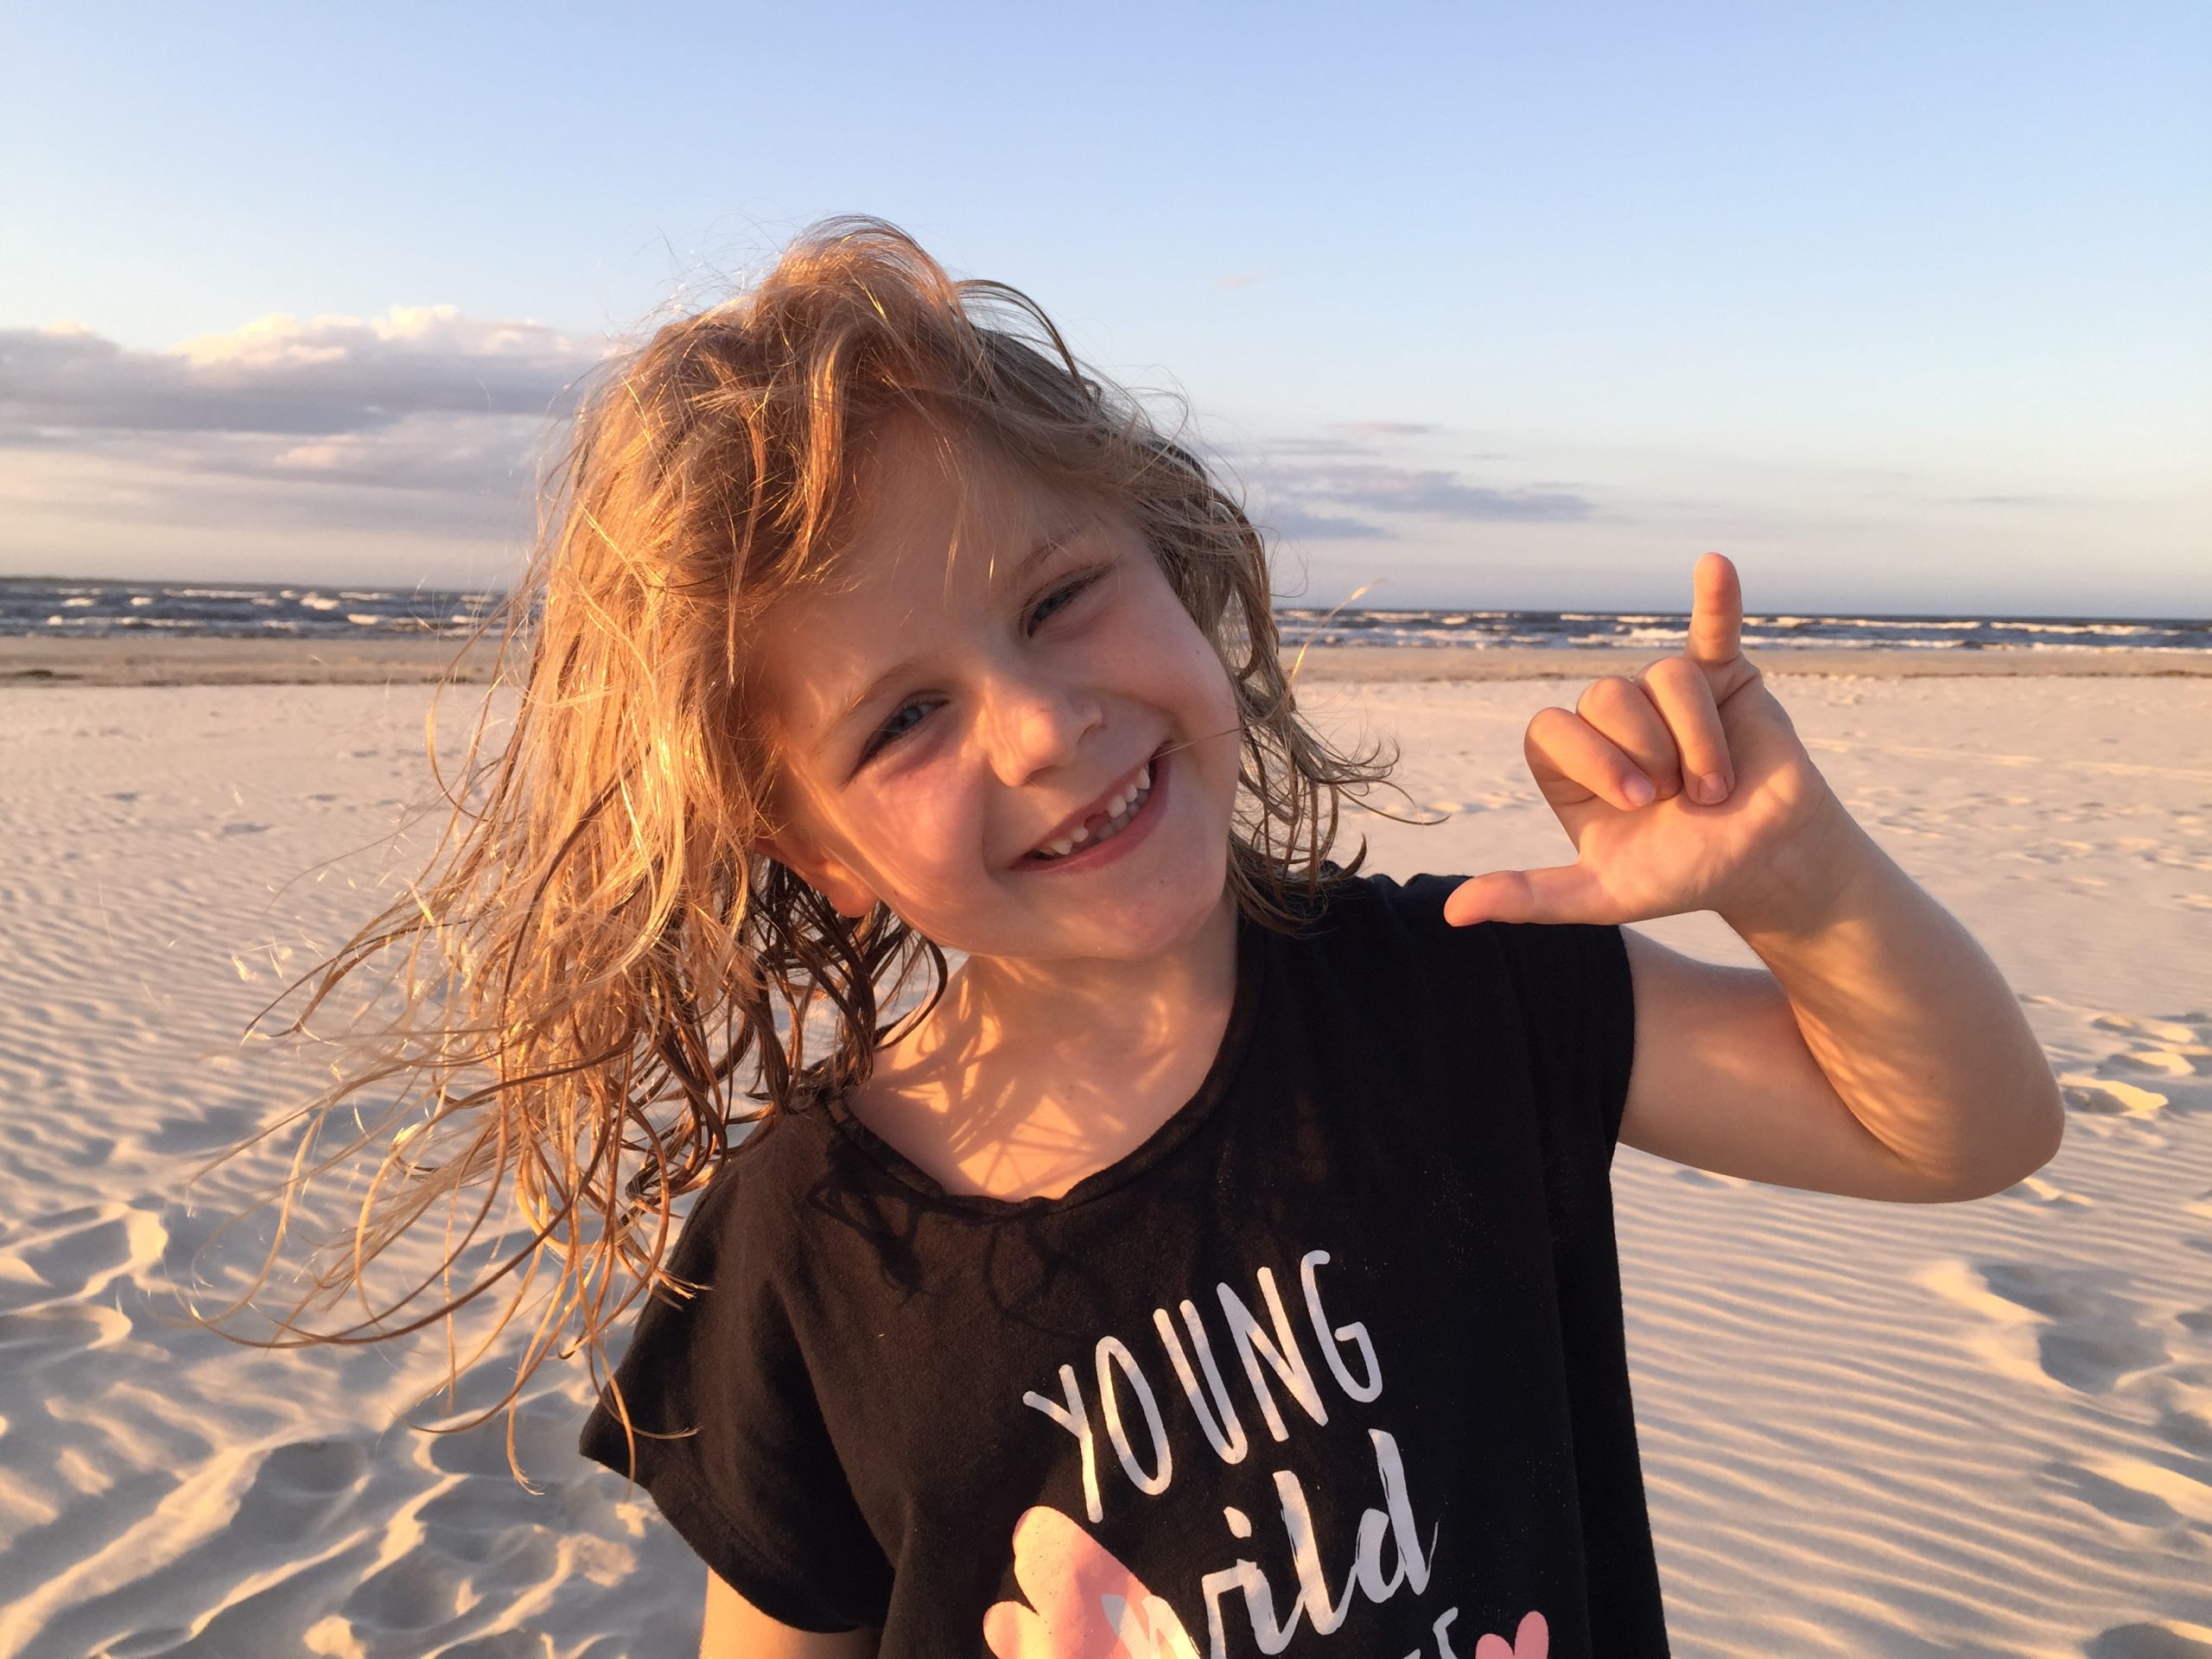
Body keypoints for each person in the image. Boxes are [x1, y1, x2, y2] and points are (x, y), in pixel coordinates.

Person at [243, 217, 2063, 1657]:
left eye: (1059, 598)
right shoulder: (811, 1247)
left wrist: (1804, 886)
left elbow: (1959, 1131)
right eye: (905, 719)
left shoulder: (1466, 989)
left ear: (1174, 566)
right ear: (816, 850)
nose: (1043, 726)